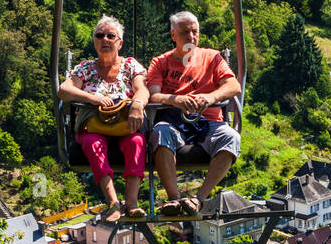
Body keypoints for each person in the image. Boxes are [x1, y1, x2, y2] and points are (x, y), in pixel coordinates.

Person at [146, 11, 242, 215]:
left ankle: (198, 198)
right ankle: (174, 199)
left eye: (194, 32)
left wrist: (210, 97)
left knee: (231, 137)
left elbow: (233, 85)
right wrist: (176, 100)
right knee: (160, 132)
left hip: (208, 120)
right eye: (185, 32)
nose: (191, 37)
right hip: (174, 121)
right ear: (173, 35)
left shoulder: (212, 57)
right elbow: (154, 96)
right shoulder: (160, 62)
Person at [57, 15, 148, 222]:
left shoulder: (130, 66)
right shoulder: (86, 68)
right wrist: (92, 98)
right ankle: (113, 203)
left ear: (120, 42)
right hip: (94, 126)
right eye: (100, 35)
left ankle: (132, 203)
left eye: (111, 36)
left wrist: (137, 104)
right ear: (95, 41)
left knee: (137, 141)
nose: (105, 39)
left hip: (125, 124)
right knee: (92, 143)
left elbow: (142, 89)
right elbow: (64, 90)